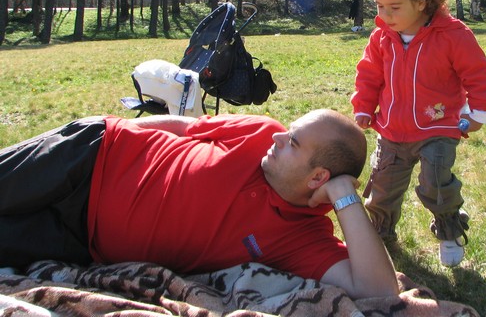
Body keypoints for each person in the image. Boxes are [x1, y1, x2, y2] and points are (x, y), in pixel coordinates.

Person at [0, 110, 398, 299]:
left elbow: (379, 290)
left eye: (292, 142)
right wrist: (113, 127)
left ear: (317, 178)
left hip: (79, 240)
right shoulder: (262, 131)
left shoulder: (302, 237)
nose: (278, 139)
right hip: (89, 156)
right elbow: (186, 127)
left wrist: (345, 197)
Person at [351, 0, 486, 267]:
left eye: (394, 7)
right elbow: (369, 75)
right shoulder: (382, 38)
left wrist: (478, 112)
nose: (386, 15)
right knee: (383, 188)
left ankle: (449, 230)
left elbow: (478, 75)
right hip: (392, 129)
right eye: (379, 6)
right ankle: (380, 235)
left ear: (421, 1)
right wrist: (364, 106)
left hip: (438, 127)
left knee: (436, 184)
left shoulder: (453, 35)